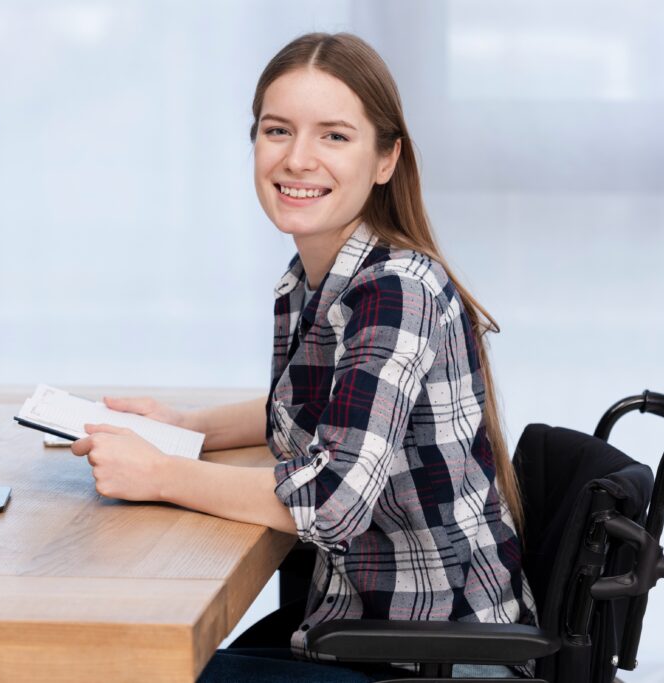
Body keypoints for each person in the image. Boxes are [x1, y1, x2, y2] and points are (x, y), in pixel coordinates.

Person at [70, 32, 537, 682]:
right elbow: (312, 412)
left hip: (434, 655)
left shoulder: (395, 289)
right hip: (358, 624)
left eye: (334, 136)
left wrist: (160, 474)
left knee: (128, 664)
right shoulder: (314, 276)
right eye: (277, 130)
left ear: (385, 159)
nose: (298, 158)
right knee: (138, 651)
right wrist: (184, 426)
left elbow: (333, 498)